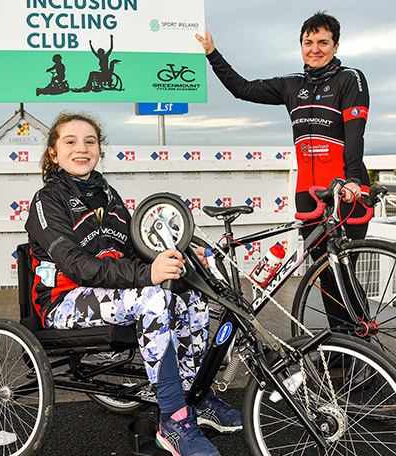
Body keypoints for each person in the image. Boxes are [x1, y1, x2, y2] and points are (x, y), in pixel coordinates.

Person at [25, 113, 241, 456]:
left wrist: (181, 252)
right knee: (153, 297)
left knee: (192, 298)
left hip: (112, 294)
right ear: (53, 152)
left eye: (90, 141)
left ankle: (193, 397)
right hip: (63, 301)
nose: (81, 148)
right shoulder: (46, 200)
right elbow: (79, 268)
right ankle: (172, 420)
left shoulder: (109, 196)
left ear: (99, 149)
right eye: (70, 141)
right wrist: (148, 275)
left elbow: (136, 252)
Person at [197, 12, 371, 334]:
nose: (314, 49)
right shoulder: (292, 85)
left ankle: (361, 348)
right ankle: (344, 353)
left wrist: (354, 180)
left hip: (345, 190)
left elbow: (355, 134)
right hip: (309, 195)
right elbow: (242, 88)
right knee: (324, 277)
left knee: (343, 275)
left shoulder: (350, 79)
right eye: (308, 42)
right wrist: (212, 53)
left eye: (322, 42)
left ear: (335, 45)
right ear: (301, 45)